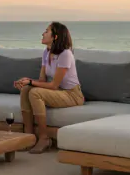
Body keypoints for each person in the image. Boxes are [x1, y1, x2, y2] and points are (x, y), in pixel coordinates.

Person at [14, 22, 84, 153]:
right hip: (59, 92)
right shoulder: (46, 52)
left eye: (46, 31)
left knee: (35, 93)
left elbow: (53, 85)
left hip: (72, 95)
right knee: (26, 89)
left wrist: (30, 82)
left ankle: (44, 138)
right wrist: (26, 82)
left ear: (55, 37)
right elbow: (41, 81)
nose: (43, 33)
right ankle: (28, 137)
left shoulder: (65, 54)